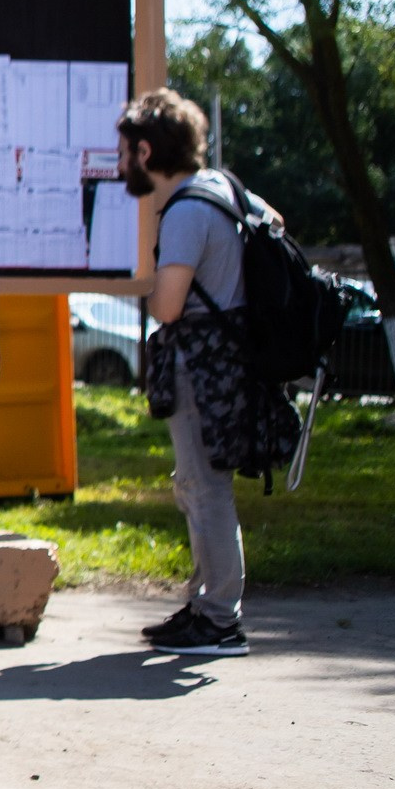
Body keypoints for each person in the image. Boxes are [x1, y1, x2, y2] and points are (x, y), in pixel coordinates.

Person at [118, 88, 269, 658]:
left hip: (201, 364)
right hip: (228, 359)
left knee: (207, 490)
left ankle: (219, 619)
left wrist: (156, 286)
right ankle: (208, 604)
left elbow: (168, 306)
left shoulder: (184, 209)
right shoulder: (225, 188)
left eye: (127, 151)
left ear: (148, 151)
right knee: (201, 486)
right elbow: (270, 219)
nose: (123, 162)